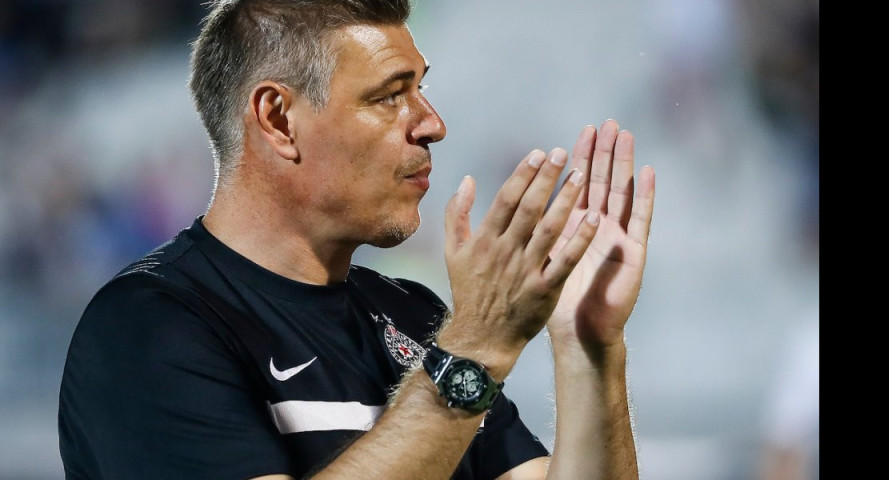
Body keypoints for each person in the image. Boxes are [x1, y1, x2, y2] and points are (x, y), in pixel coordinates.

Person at [57, 1, 656, 479]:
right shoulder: (146, 325)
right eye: (390, 95)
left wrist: (590, 346)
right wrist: (476, 349)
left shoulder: (414, 318)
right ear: (278, 119)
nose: (433, 124)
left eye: (420, 89)